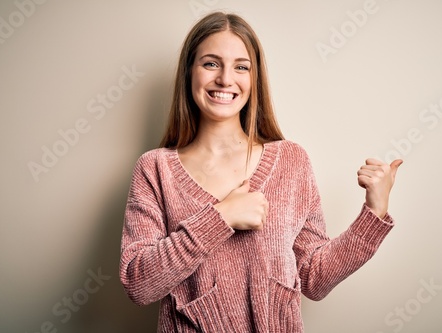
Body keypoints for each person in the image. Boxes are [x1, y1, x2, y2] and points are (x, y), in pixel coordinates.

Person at [119, 11, 402, 333]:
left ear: (255, 79)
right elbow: (139, 283)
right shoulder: (154, 168)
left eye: (241, 67)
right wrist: (220, 217)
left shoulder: (292, 161)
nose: (226, 79)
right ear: (189, 73)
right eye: (210, 63)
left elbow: (314, 278)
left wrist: (375, 212)